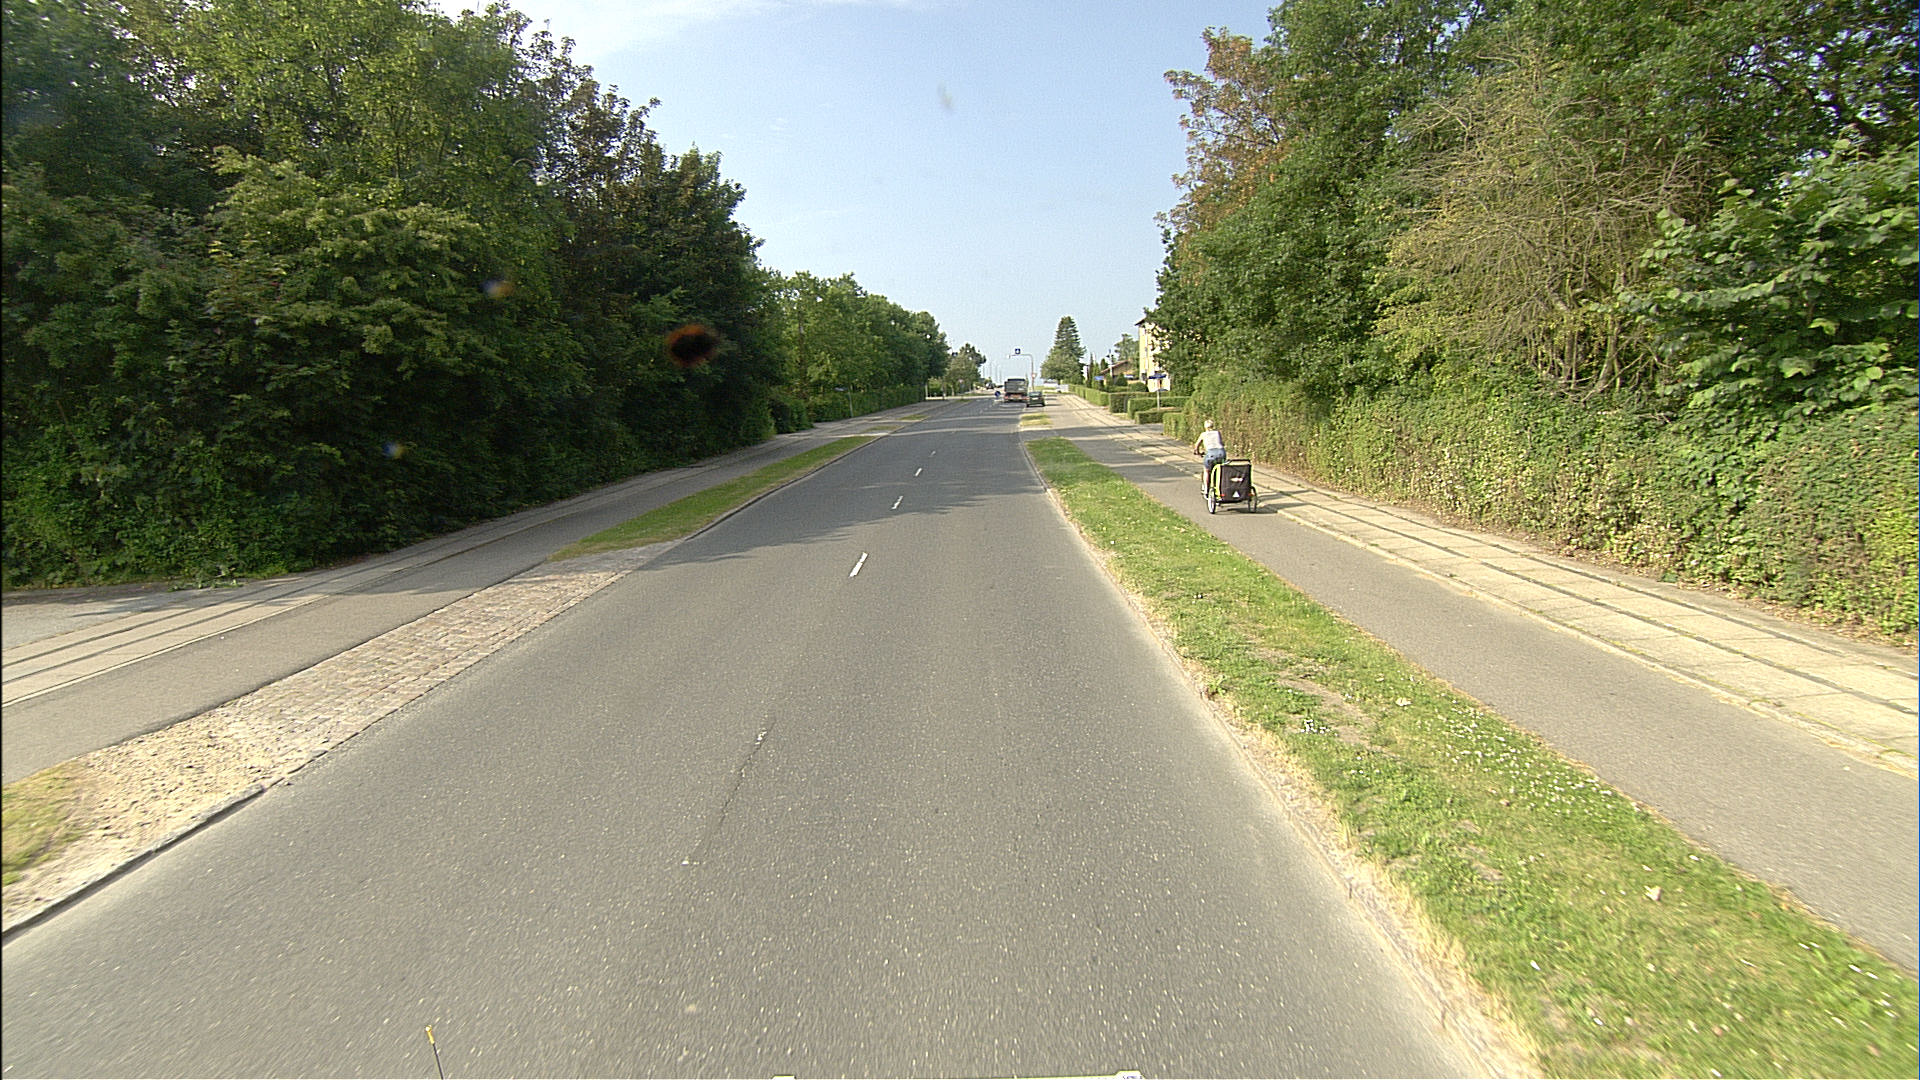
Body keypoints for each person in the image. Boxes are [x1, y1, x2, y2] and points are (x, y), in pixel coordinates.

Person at [1194, 420, 1227, 491]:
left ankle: (1206, 488)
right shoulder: (1217, 433)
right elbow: (1221, 443)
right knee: (1222, 469)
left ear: (1205, 427)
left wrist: (1197, 453)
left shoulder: (1203, 434)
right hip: (1221, 452)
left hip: (1210, 454)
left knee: (1206, 470)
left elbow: (1196, 445)